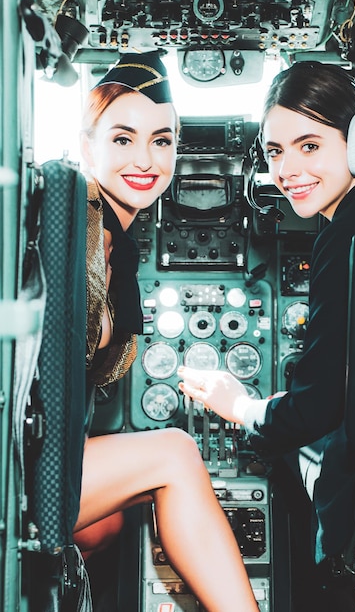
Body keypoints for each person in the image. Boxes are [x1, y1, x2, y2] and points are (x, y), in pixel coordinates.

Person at [178, 61, 355, 574]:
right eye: (276, 151)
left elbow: (319, 409)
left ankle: (316, 581)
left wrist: (240, 407)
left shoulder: (348, 232)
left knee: (275, 456)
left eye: (309, 146)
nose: (286, 172)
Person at [72, 50, 259, 612]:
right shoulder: (73, 231)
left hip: (48, 453)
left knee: (108, 527)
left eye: (163, 140)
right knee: (176, 451)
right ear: (88, 147)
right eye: (123, 138)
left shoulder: (109, 240)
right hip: (25, 465)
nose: (146, 158)